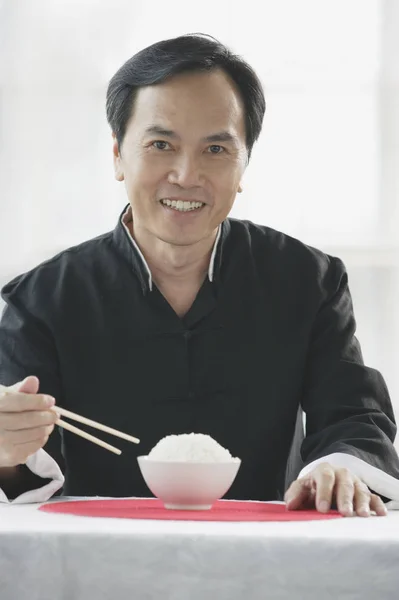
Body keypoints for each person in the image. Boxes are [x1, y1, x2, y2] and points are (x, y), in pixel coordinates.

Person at [1, 34, 398, 516]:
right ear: (117, 155)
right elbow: (21, 462)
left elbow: (355, 417)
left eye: (215, 149)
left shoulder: (307, 280)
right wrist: (8, 452)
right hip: (91, 562)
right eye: (161, 144)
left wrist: (340, 468)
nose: (186, 175)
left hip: (273, 559)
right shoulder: (42, 298)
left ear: (244, 162)